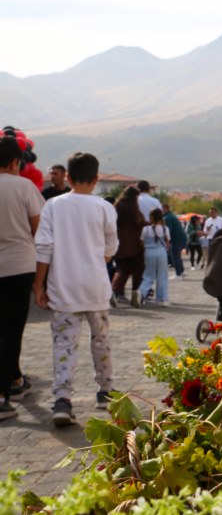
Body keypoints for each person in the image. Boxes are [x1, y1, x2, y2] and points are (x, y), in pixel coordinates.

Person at [33, 152, 118, 427]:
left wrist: (39, 285)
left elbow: (44, 247)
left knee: (64, 345)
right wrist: (97, 257)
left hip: (63, 288)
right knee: (101, 341)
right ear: (96, 179)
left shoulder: (53, 206)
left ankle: (62, 400)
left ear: (67, 177)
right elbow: (111, 248)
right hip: (95, 288)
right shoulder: (104, 207)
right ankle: (105, 392)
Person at [0, 136, 44, 420]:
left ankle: (14, 381)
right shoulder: (24, 186)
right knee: (11, 330)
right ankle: (5, 395)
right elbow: (38, 228)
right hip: (19, 265)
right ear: (16, 162)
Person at [111, 186, 146, 307]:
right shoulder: (132, 208)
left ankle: (114, 292)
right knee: (138, 269)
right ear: (134, 196)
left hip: (118, 245)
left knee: (122, 270)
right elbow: (140, 223)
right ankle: (136, 293)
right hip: (134, 245)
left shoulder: (116, 206)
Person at [139, 208, 170, 307]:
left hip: (149, 253)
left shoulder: (145, 229)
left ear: (151, 217)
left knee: (148, 275)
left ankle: (141, 293)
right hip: (161, 253)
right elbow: (167, 243)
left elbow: (142, 242)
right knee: (162, 276)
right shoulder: (165, 229)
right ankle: (162, 299)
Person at [162, 204, 187, 279]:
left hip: (176, 239)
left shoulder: (167, 218)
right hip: (180, 238)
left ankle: (178, 274)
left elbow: (168, 230)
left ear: (165, 208)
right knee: (177, 256)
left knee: (174, 256)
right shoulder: (171, 216)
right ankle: (182, 271)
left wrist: (166, 241)